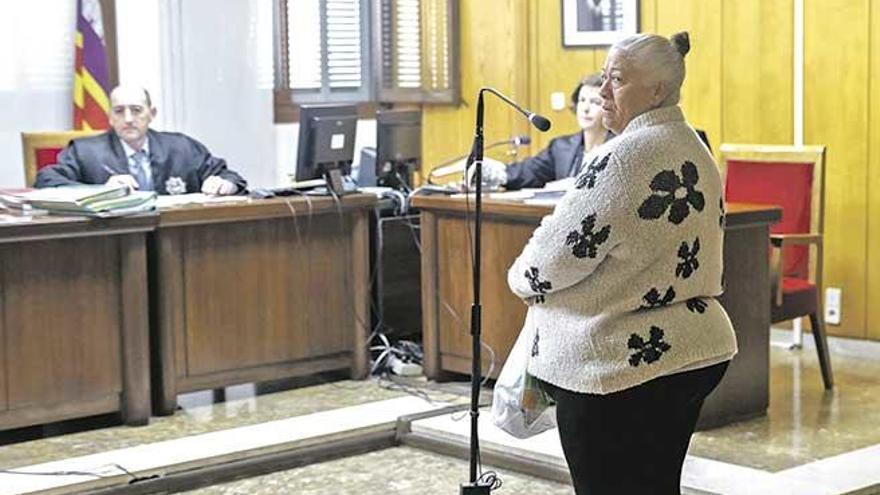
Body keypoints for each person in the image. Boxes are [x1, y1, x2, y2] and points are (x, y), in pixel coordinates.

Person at [506, 31, 734, 494]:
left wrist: (518, 277)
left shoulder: (623, 156)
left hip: (615, 361)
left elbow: (546, 266)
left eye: (617, 80)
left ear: (656, 91)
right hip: (693, 350)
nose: (604, 93)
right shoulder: (692, 144)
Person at [35, 85, 246, 195]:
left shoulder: (181, 147)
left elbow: (230, 177)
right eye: (119, 111)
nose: (128, 119)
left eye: (136, 110)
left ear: (151, 113)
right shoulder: (85, 152)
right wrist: (100, 192)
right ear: (110, 117)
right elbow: (46, 180)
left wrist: (225, 184)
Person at [476, 74, 608, 190]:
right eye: (582, 100)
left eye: (595, 102)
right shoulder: (561, 147)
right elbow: (529, 172)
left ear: (610, 107)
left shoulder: (620, 148)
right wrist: (488, 170)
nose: (585, 108)